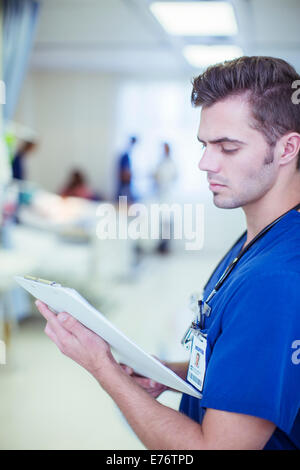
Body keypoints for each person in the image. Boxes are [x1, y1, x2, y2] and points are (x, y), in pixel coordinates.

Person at [36, 56, 300, 450]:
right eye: (204, 145)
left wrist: (101, 366)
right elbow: (253, 367)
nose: (204, 163)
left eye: (228, 147)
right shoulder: (264, 237)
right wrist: (169, 372)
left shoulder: (275, 279)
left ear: (286, 149)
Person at [115, 136, 138, 203]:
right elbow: (125, 171)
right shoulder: (125, 156)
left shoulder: (128, 155)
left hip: (126, 184)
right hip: (124, 184)